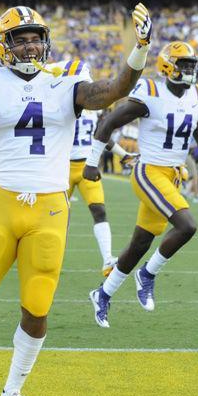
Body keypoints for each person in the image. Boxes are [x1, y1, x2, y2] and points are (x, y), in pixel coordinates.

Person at [0, 4, 153, 396]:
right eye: (20, 38)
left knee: (37, 307)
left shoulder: (66, 79)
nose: (30, 44)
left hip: (50, 207)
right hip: (4, 202)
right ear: (3, 44)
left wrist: (139, 49)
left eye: (35, 37)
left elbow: (111, 91)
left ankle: (12, 392)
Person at [84, 41, 198, 326]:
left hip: (173, 176)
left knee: (140, 243)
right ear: (168, 66)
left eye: (191, 65)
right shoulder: (150, 91)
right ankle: (148, 274)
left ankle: (103, 294)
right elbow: (107, 124)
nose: (189, 71)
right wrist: (92, 162)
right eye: (183, 65)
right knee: (187, 226)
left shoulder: (197, 95)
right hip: (149, 172)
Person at [68, 108, 136, 274]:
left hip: (87, 165)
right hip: (62, 166)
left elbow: (102, 135)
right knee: (56, 214)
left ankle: (107, 259)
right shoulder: (63, 101)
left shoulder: (94, 110)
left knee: (99, 210)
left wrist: (123, 154)